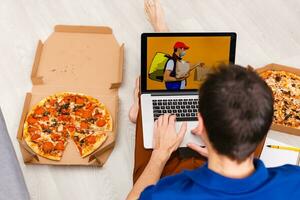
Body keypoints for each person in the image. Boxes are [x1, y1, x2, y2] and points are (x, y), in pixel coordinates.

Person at [127, 64, 300, 200]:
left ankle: (141, 106)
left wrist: (159, 154)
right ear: (265, 130)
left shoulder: (168, 193)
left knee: (156, 148)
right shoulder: (294, 181)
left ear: (200, 124)